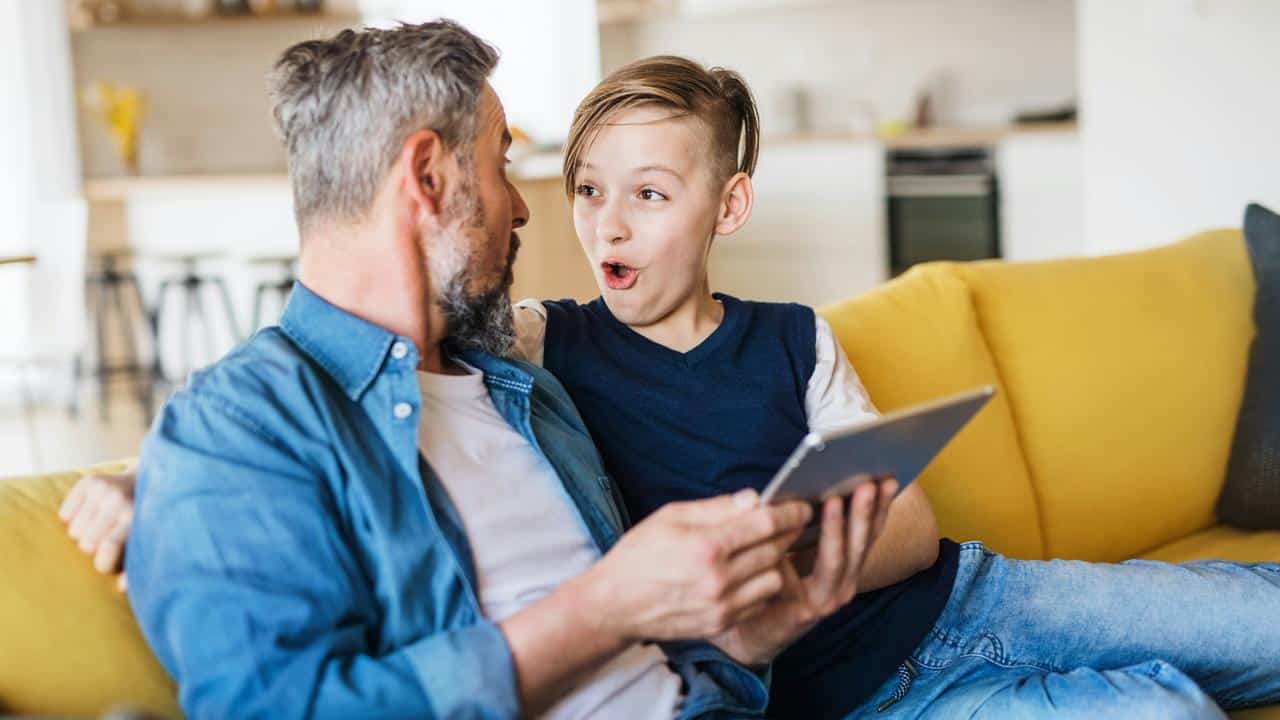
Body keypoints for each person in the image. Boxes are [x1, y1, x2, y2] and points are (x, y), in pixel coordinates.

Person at [65, 35, 1280, 720]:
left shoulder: (515, 375)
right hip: (826, 683)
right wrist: (149, 485)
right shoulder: (518, 352)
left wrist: (765, 576)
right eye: (532, 175)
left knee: (1216, 647)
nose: (549, 214)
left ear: (724, 206)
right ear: (431, 181)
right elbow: (277, 431)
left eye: (643, 193)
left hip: (915, 615)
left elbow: (879, 539)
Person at [63, 21, 898, 719]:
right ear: (428, 178)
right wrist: (607, 604)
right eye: (502, 164)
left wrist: (744, 640)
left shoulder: (525, 384)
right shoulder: (241, 428)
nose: (527, 204)